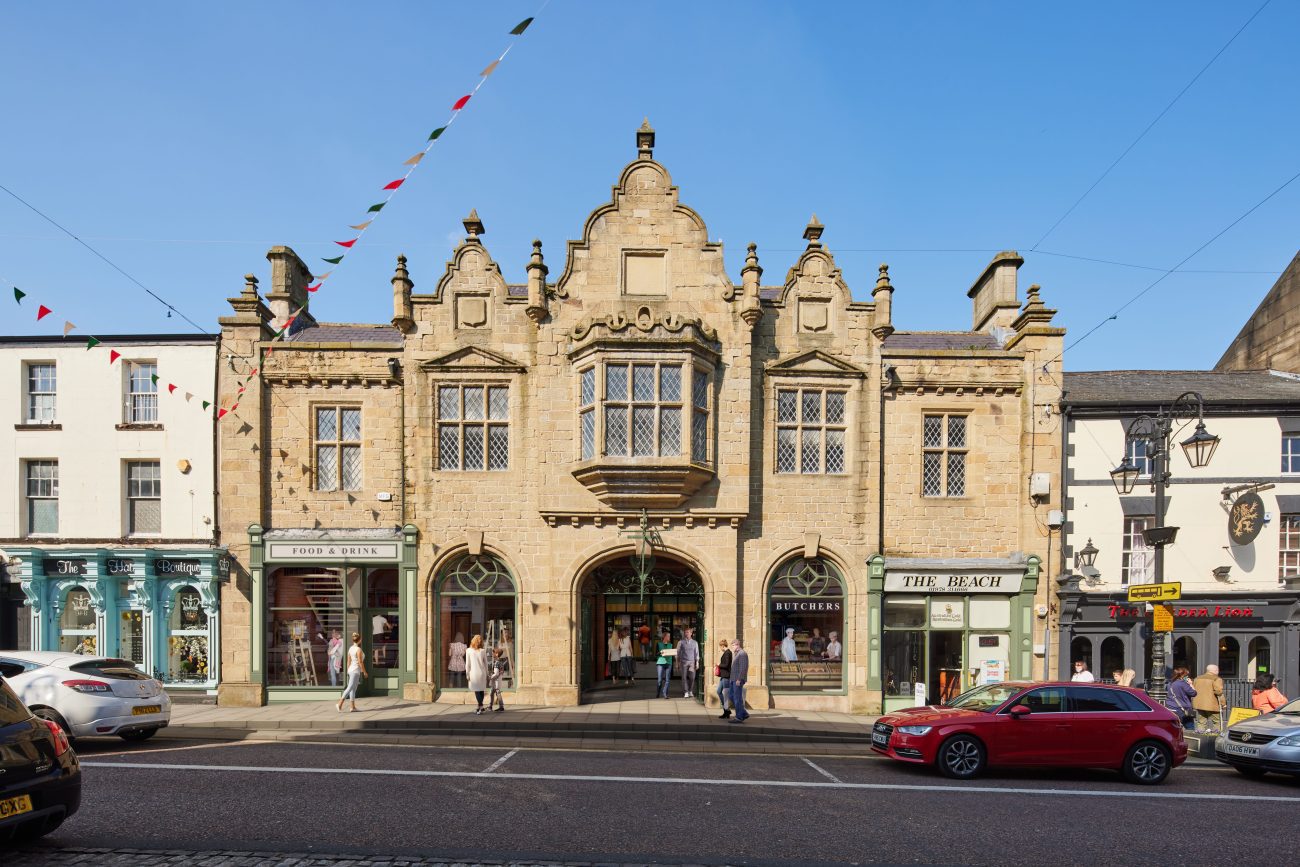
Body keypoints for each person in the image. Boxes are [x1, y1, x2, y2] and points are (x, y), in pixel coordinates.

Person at [335, 632, 366, 713]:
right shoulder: (358, 649)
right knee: (349, 688)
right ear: (360, 640)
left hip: (352, 670)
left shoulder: (351, 648)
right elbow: (360, 662)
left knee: (353, 689)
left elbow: (348, 661)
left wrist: (348, 670)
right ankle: (339, 704)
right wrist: (364, 671)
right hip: (355, 671)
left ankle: (352, 707)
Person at [1192, 665, 1226, 733]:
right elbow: (1219, 692)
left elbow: (1194, 689)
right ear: (1215, 671)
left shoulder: (1197, 678)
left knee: (1201, 721)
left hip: (1199, 704)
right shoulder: (1216, 679)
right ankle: (1215, 735)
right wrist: (1223, 703)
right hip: (1212, 704)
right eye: (1218, 670)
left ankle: (1200, 734)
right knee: (1216, 722)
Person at [465, 634, 489, 715]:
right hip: (482, 673)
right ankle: (480, 707)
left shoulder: (468, 650)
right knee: (481, 690)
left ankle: (481, 707)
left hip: (474, 673)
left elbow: (467, 664)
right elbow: (486, 664)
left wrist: (467, 674)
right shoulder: (483, 651)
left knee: (477, 690)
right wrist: (487, 673)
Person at [728, 639, 749, 723]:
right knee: (731, 696)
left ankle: (739, 717)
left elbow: (743, 668)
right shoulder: (736, 654)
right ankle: (743, 713)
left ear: (737, 645)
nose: (732, 647)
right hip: (733, 679)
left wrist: (739, 679)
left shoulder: (742, 654)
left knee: (737, 698)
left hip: (737, 680)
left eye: (733, 645)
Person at [678, 627, 700, 699]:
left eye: (688, 632)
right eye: (685, 632)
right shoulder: (681, 642)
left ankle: (690, 690)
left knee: (692, 677)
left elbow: (696, 653)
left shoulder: (695, 643)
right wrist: (677, 662)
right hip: (683, 662)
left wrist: (697, 663)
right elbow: (678, 652)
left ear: (691, 633)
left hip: (692, 662)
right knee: (684, 677)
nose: (686, 634)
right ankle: (686, 692)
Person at [487, 646, 509, 712]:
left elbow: (496, 674)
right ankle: (495, 706)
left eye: (493, 653)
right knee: (495, 693)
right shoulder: (500, 662)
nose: (492, 654)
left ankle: (493, 706)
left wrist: (490, 677)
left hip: (496, 681)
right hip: (498, 681)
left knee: (495, 693)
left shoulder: (497, 663)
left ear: (496, 654)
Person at [716, 638, 733, 719]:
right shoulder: (726, 653)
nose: (720, 648)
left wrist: (719, 664)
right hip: (723, 676)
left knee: (725, 695)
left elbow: (726, 665)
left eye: (720, 647)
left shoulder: (727, 653)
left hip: (726, 676)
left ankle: (726, 710)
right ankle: (726, 710)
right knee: (718, 691)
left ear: (723, 646)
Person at [655, 630, 674, 699]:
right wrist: (661, 652)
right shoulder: (659, 644)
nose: (669, 637)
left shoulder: (671, 644)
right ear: (665, 637)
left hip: (669, 663)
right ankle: (658, 692)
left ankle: (665, 693)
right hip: (660, 662)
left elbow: (673, 653)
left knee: (667, 680)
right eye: (668, 636)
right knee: (660, 680)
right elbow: (656, 654)